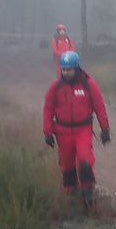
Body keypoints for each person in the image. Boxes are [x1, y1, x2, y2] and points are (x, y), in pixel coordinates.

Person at [43, 51, 110, 208]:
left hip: (83, 130)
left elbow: (99, 106)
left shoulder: (88, 84)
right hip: (62, 131)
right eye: (64, 69)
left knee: (85, 160)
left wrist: (105, 129)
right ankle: (71, 193)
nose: (66, 73)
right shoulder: (56, 87)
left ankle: (88, 192)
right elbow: (48, 109)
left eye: (69, 69)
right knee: (67, 165)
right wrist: (47, 132)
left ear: (76, 68)